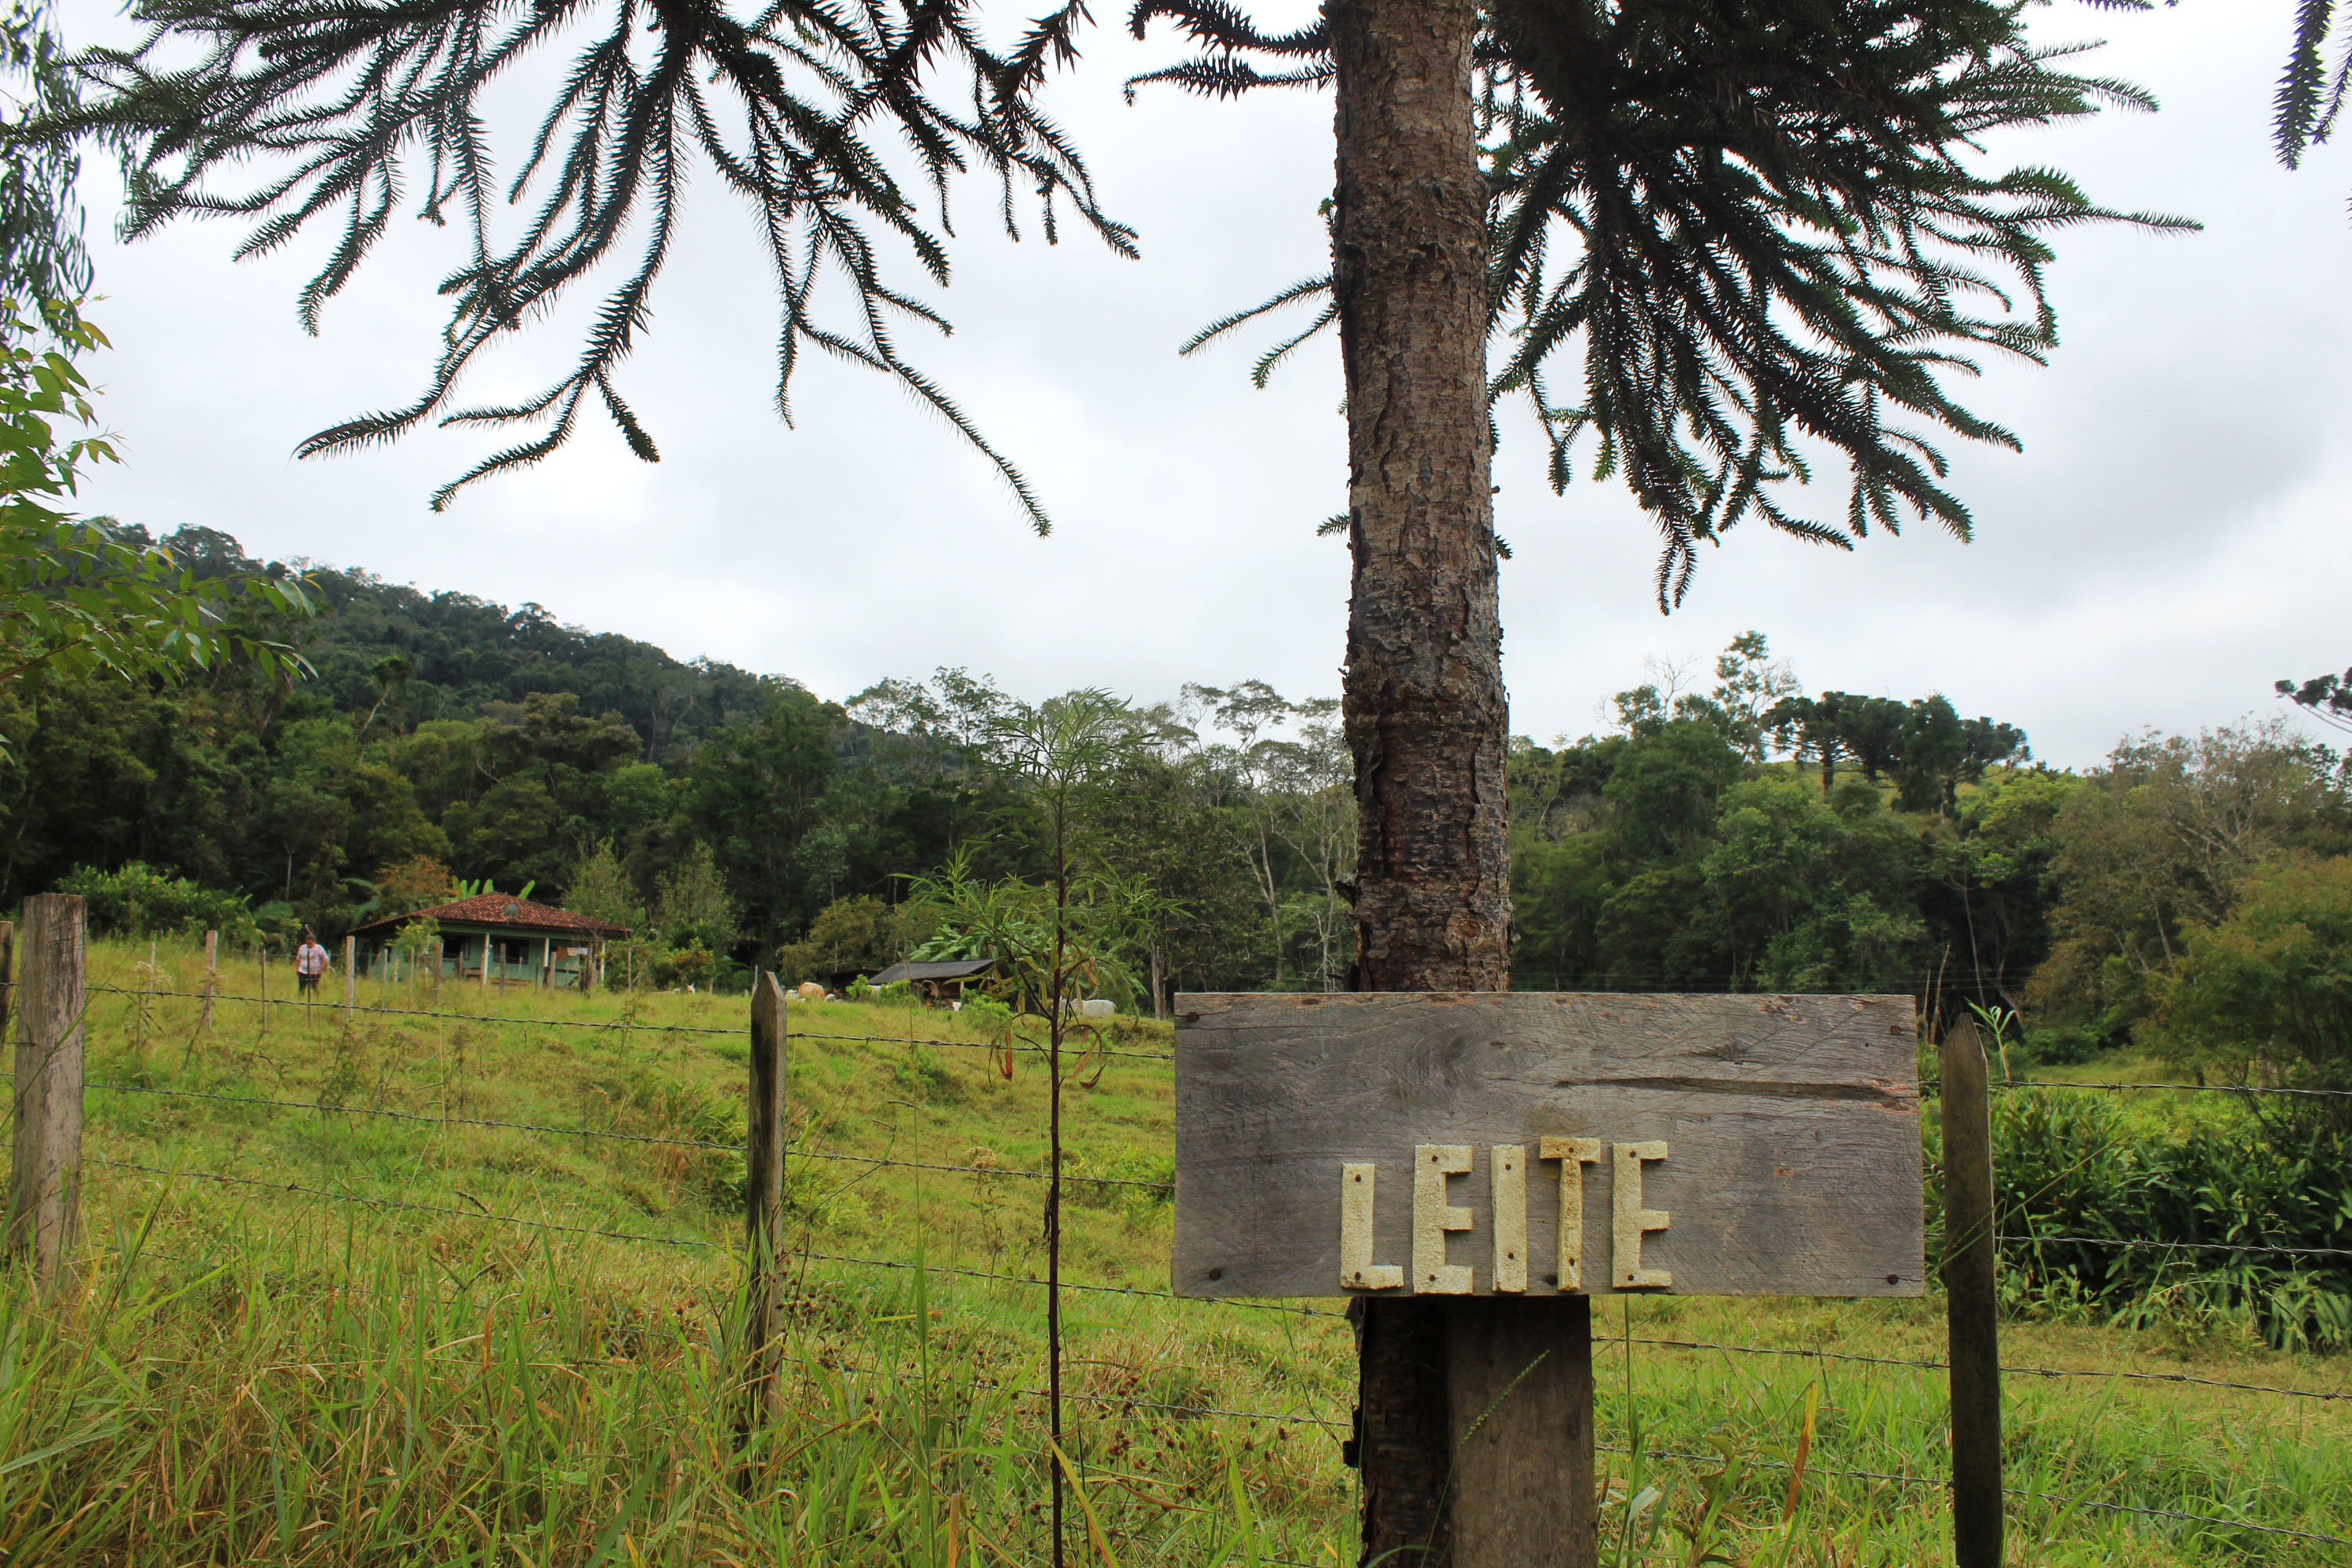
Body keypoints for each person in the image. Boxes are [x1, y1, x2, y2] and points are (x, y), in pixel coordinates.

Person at [295, 931, 329, 996]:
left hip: (315, 972)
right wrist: (297, 969)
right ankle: (300, 999)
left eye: (310, 943)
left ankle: (317, 999)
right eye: (307, 943)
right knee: (302, 987)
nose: (308, 945)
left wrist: (321, 968)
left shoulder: (319, 948)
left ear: (314, 942)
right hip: (302, 971)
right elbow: (298, 959)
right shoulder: (302, 947)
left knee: (314, 987)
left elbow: (325, 958)